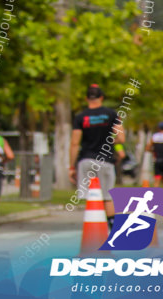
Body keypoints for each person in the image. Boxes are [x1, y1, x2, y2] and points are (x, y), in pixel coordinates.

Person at [70, 84, 124, 228]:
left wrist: (71, 167)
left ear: (86, 98)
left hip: (86, 160)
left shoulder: (80, 117)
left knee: (91, 196)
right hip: (105, 161)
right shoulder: (112, 114)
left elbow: (75, 143)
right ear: (101, 97)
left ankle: (93, 227)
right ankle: (112, 226)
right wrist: (111, 141)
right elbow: (121, 137)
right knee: (107, 197)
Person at [146, 121, 163, 191]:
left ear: (158, 128)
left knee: (157, 180)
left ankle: (156, 197)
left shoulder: (154, 137)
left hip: (157, 160)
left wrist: (153, 151)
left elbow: (147, 148)